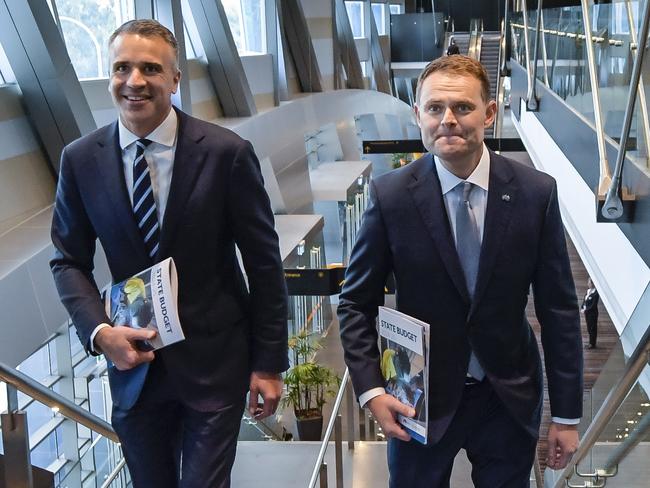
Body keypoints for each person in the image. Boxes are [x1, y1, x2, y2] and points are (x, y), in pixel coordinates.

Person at [50, 19, 288, 488]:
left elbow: (263, 265)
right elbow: (67, 260)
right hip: (134, 368)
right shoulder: (80, 160)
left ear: (175, 79)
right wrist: (100, 332)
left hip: (215, 363)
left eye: (150, 68)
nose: (134, 81)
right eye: (122, 67)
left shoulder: (226, 154)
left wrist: (268, 363)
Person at [338, 55, 583, 487]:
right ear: (418, 115)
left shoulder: (535, 193)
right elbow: (356, 303)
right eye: (434, 108)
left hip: (506, 397)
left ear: (489, 113)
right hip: (417, 399)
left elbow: (559, 310)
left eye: (462, 107)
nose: (447, 119)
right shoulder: (391, 196)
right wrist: (372, 390)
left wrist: (565, 415)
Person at [581, 279, 599, 349]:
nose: (588, 284)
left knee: (592, 328)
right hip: (587, 313)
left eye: (589, 282)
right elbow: (584, 300)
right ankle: (590, 342)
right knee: (589, 327)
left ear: (592, 284)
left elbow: (593, 305)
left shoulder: (595, 294)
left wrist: (585, 310)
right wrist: (582, 306)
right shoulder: (588, 291)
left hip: (592, 314)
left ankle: (592, 344)